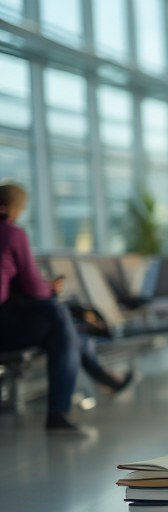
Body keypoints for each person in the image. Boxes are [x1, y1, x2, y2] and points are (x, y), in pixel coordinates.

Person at [0, 183, 134, 434]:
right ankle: (64, 410)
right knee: (59, 315)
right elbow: (34, 288)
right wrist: (50, 287)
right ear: (12, 208)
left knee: (61, 327)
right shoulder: (12, 234)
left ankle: (98, 385)